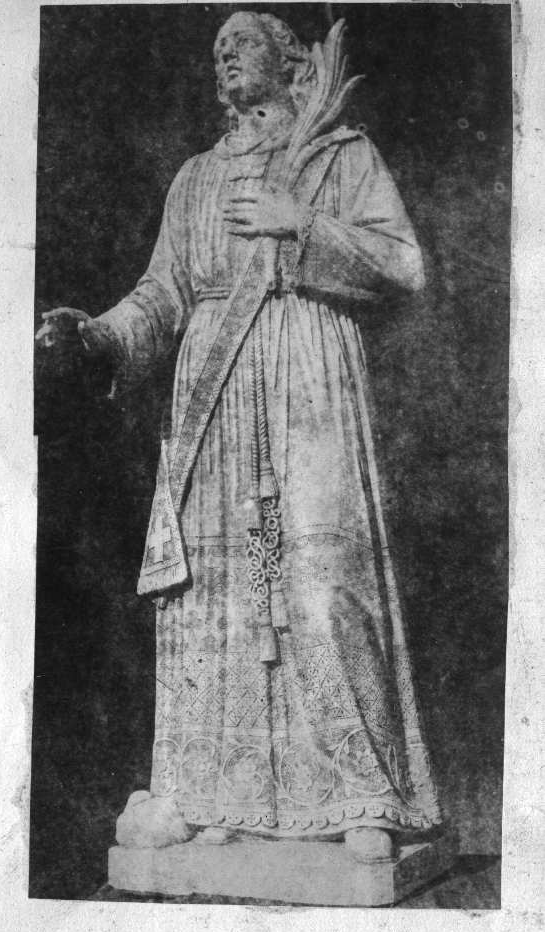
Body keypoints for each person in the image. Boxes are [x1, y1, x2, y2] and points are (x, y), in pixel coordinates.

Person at [37, 11, 442, 863]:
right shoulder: (195, 179)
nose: (224, 54)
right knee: (227, 595)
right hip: (215, 405)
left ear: (290, 62)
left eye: (243, 42)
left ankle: (360, 793)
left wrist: (304, 225)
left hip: (304, 379)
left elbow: (404, 265)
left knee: (318, 582)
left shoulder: (338, 156)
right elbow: (162, 292)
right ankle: (222, 796)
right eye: (217, 48)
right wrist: (101, 335)